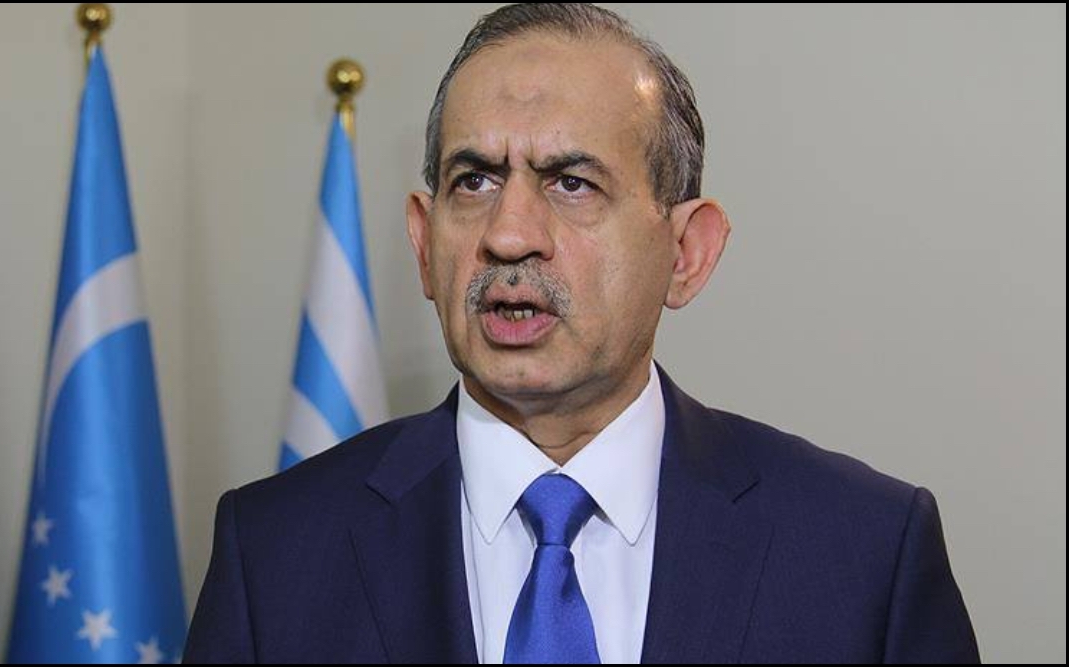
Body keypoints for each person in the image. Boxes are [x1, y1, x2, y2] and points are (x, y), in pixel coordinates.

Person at [184, 4, 979, 663]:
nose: (509, 234)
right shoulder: (274, 554)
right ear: (424, 245)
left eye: (571, 182)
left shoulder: (865, 554)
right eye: (474, 180)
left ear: (687, 253)